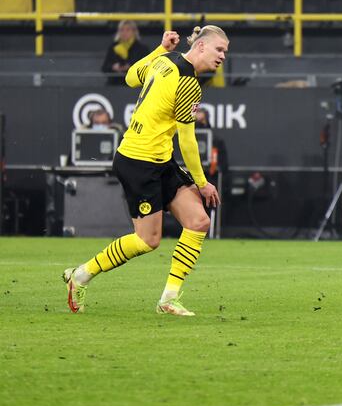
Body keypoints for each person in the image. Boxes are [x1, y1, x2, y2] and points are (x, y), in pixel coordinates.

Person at [63, 25, 229, 316]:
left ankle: (168, 299)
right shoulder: (188, 82)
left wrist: (160, 49)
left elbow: (130, 77)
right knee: (147, 240)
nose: (223, 56)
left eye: (225, 52)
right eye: (219, 49)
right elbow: (187, 140)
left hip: (158, 159)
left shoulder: (165, 60)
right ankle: (81, 275)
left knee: (199, 221)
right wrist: (202, 182)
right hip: (139, 161)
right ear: (201, 46)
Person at [101, 20, 150, 86]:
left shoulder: (142, 48)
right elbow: (104, 67)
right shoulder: (113, 47)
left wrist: (129, 67)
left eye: (127, 30)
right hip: (115, 83)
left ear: (134, 32)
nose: (124, 32)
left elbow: (147, 68)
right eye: (121, 30)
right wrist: (113, 67)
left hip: (135, 84)